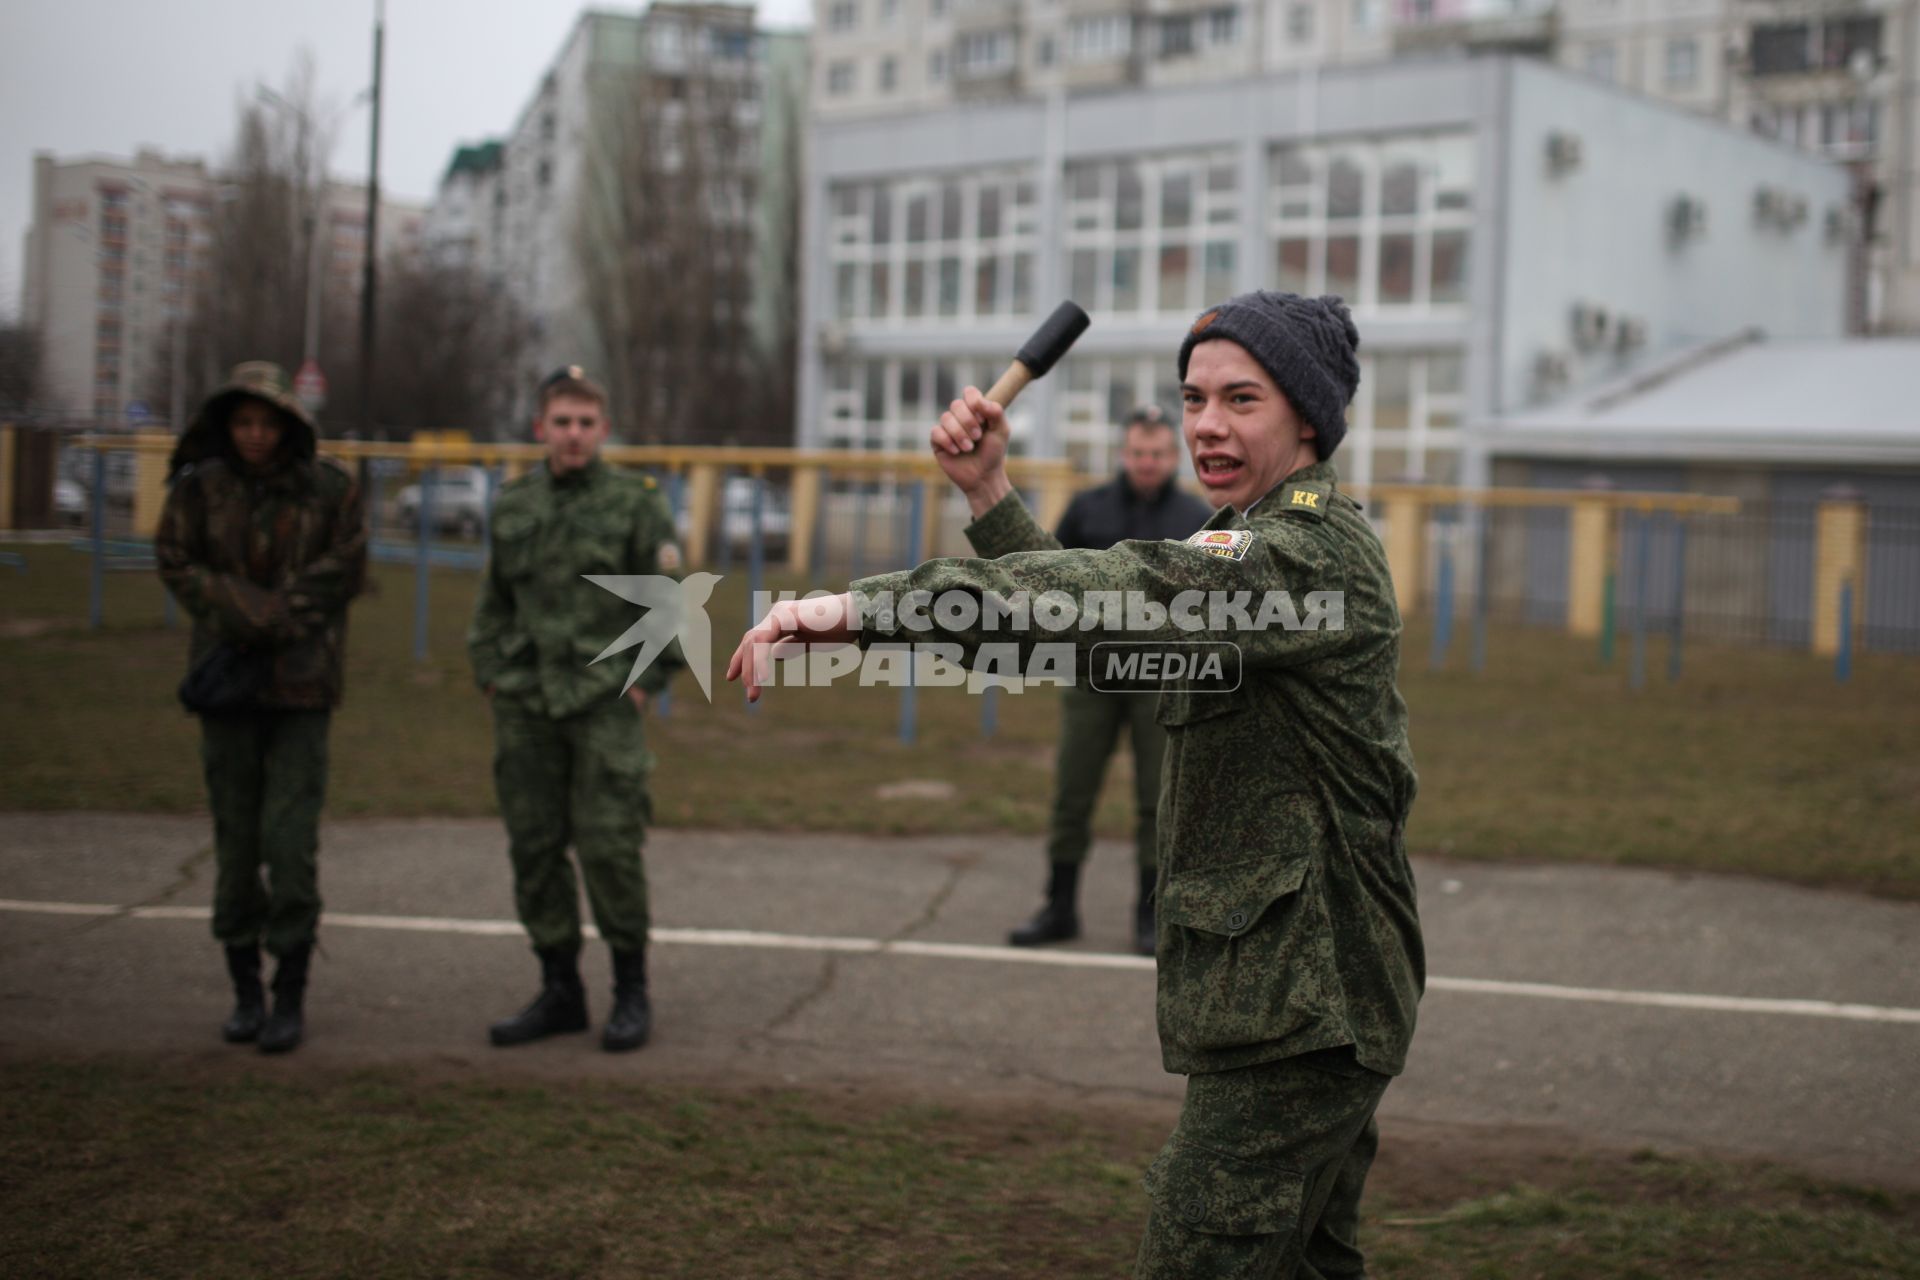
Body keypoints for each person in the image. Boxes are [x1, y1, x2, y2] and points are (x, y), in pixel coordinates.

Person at [729, 292, 1423, 1278]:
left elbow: (1121, 595)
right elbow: (1104, 635)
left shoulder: (1305, 552)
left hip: (1306, 1007)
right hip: (1304, 995)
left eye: (1242, 398)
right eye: (1193, 396)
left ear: (1306, 416)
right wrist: (988, 494)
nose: (1207, 424)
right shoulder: (1249, 538)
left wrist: (856, 611)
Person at [155, 360, 368, 1055]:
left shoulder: (328, 491)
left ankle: (290, 992)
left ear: (287, 425)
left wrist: (277, 616)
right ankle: (245, 987)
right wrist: (244, 612)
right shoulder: (200, 491)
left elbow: (346, 566)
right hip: (227, 688)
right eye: (242, 422)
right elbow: (176, 560)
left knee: (291, 845)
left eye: (265, 422)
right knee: (236, 844)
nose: (253, 435)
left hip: (301, 688)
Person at [467, 367, 682, 1053]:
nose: (574, 435)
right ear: (541, 428)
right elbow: (493, 603)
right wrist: (495, 675)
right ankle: (559, 989)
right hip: (528, 703)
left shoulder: (635, 503)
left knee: (610, 846)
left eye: (586, 423)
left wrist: (643, 684)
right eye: (561, 422)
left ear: (603, 429)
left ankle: (630, 991)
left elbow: (669, 605)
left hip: (603, 701)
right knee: (534, 848)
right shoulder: (514, 504)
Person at [1011, 405, 1212, 956]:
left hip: (1158, 677)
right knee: (1072, 790)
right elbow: (1049, 575)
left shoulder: (1197, 519)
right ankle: (1059, 905)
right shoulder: (1087, 508)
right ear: (1124, 455)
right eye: (1138, 453)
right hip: (1089, 674)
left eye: (1158, 454)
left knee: (1157, 798)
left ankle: (1150, 918)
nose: (1147, 463)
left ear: (1173, 457)